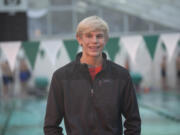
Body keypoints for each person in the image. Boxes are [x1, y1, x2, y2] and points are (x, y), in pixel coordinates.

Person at [44, 16, 141, 135]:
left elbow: (133, 122)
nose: (94, 41)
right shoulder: (62, 77)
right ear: (79, 39)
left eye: (99, 36)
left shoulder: (121, 76)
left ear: (106, 39)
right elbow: (50, 126)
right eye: (89, 36)